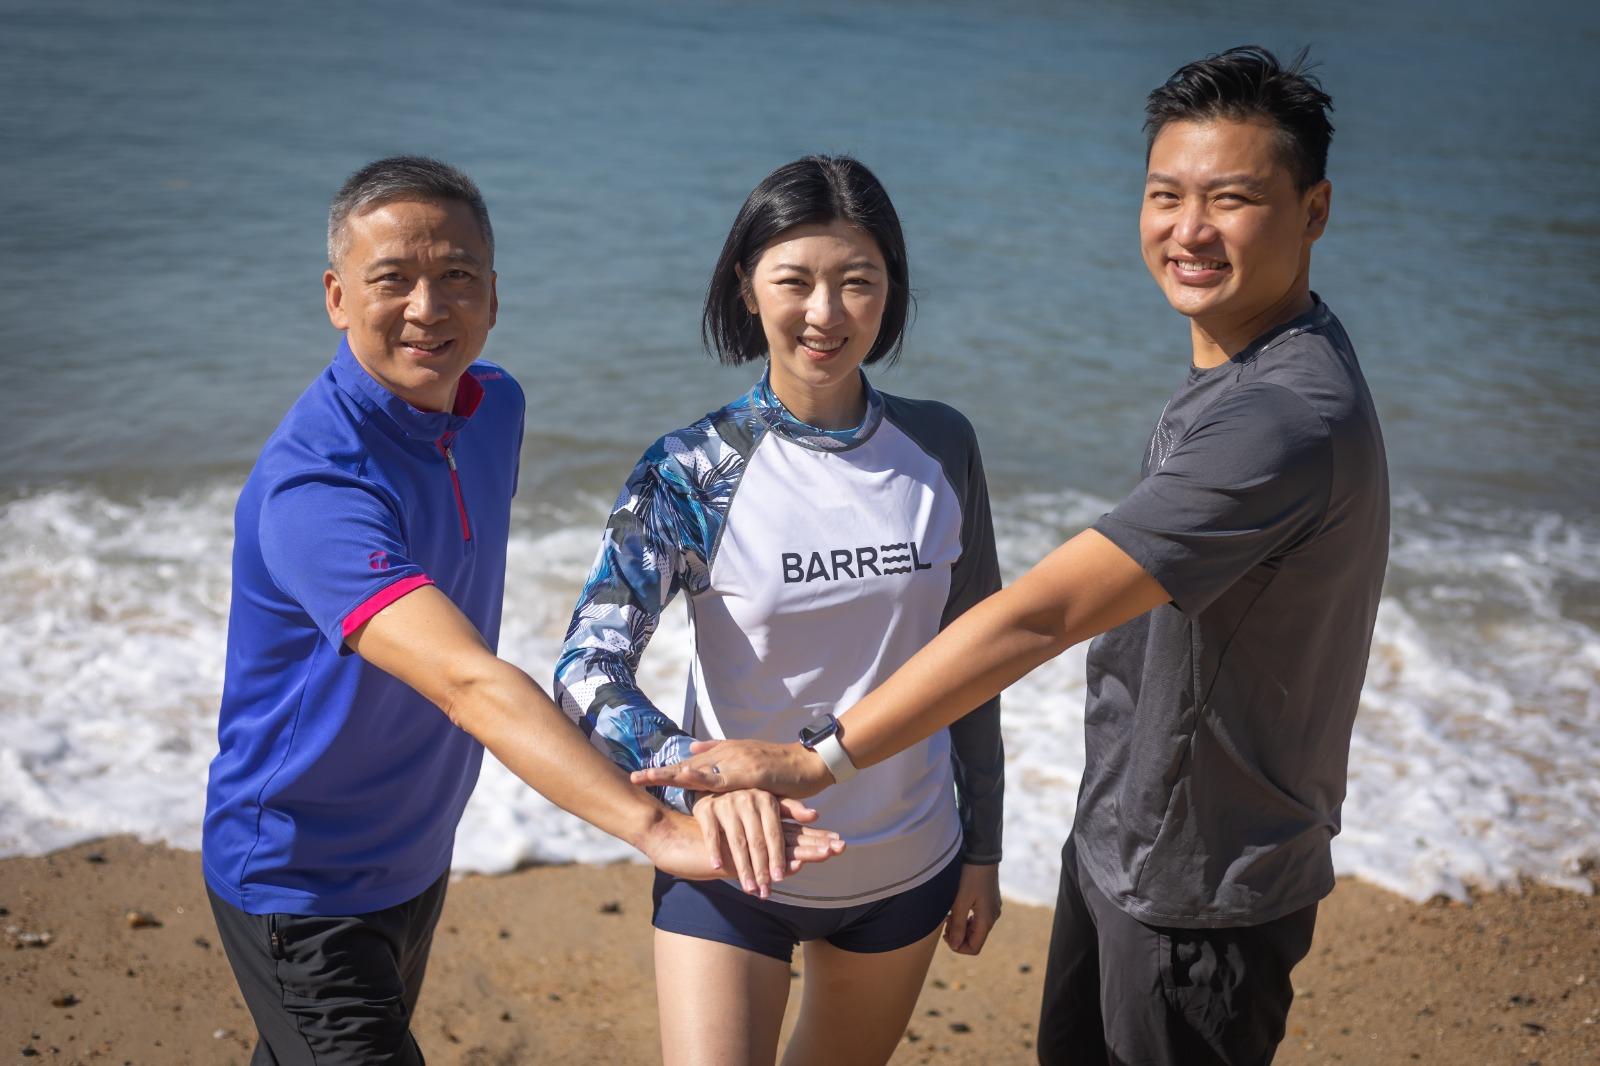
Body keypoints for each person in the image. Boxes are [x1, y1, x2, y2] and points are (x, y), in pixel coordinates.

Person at [636, 46, 1390, 1066]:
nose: (1188, 229)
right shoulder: (1238, 374)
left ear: (1314, 210)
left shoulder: (1278, 417)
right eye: (1165, 194)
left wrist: (820, 760)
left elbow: (1036, 616)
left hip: (1198, 883)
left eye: (1232, 199)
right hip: (1132, 848)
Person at [201, 155, 842, 1065]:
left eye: (457, 276)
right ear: (337, 297)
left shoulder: (493, 407)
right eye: (392, 279)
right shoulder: (315, 489)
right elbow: (468, 683)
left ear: (494, 297)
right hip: (300, 876)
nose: (428, 307)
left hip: (415, 851)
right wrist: (659, 829)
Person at [555, 154, 1006, 1066]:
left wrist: (984, 850)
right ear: (746, 286)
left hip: (906, 863)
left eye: (857, 281)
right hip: (730, 867)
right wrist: (700, 778)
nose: (826, 313)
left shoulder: (942, 444)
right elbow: (586, 666)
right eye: (795, 280)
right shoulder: (689, 472)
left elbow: (974, 659)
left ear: (891, 289)